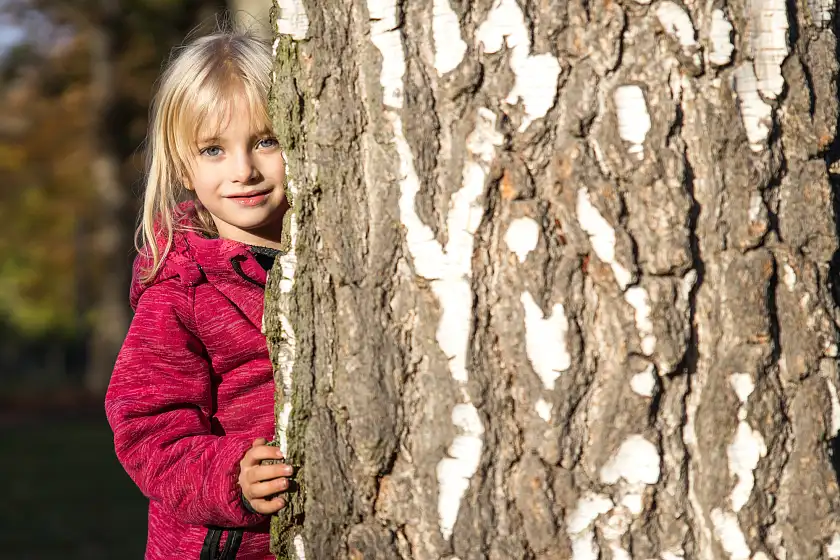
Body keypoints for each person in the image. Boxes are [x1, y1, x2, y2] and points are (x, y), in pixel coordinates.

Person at [105, 26, 292, 560]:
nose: (244, 170)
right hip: (220, 545)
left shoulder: (331, 259)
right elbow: (146, 427)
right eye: (213, 149)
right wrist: (231, 475)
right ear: (183, 166)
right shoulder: (182, 286)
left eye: (266, 140)